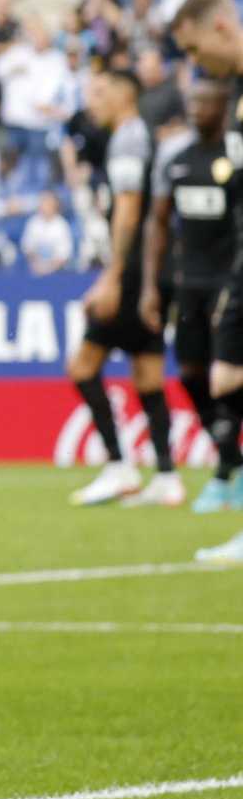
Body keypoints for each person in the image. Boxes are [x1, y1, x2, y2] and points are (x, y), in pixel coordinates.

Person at [66, 60, 178, 506]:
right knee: (147, 371)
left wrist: (112, 277)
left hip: (133, 272)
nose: (93, 103)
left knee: (83, 367)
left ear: (122, 95)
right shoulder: (131, 137)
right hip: (154, 269)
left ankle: (118, 465)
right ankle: (167, 475)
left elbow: (130, 210)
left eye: (99, 93)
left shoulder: (129, 138)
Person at [142, 67, 240, 510]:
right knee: (190, 374)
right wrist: (151, 285)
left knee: (226, 377)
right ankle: (230, 459)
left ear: (224, 107)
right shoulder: (175, 158)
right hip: (189, 284)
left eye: (206, 102)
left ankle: (224, 473)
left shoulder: (235, 158)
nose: (196, 109)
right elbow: (158, 222)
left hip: (229, 283)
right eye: (193, 102)